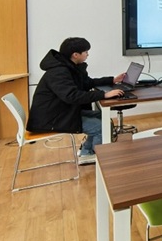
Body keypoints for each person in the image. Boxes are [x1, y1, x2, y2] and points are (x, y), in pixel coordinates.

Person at [28, 37, 127, 165]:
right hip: (52, 118)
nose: (88, 54)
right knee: (101, 127)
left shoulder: (70, 67)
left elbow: (87, 83)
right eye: (85, 52)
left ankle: (87, 151)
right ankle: (98, 158)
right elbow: (72, 96)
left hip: (62, 111)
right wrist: (104, 94)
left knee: (102, 117)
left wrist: (112, 80)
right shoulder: (58, 72)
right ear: (75, 55)